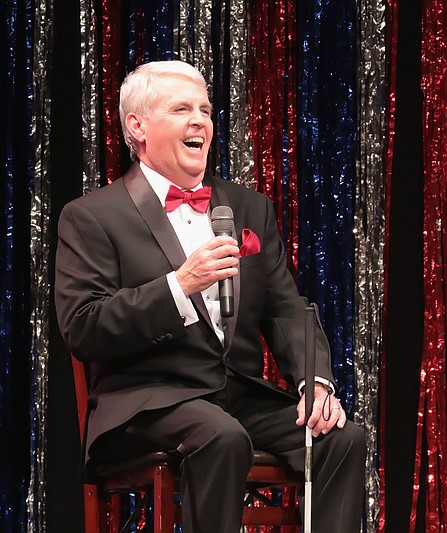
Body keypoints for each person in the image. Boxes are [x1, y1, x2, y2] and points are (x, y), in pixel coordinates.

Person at [55, 60, 366, 533]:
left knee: (340, 437)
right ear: (137, 126)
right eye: (181, 109)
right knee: (220, 437)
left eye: (205, 109)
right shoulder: (91, 216)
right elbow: (85, 326)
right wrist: (180, 285)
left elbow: (285, 309)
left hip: (235, 395)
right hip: (147, 401)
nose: (200, 120)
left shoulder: (248, 206)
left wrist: (314, 381)